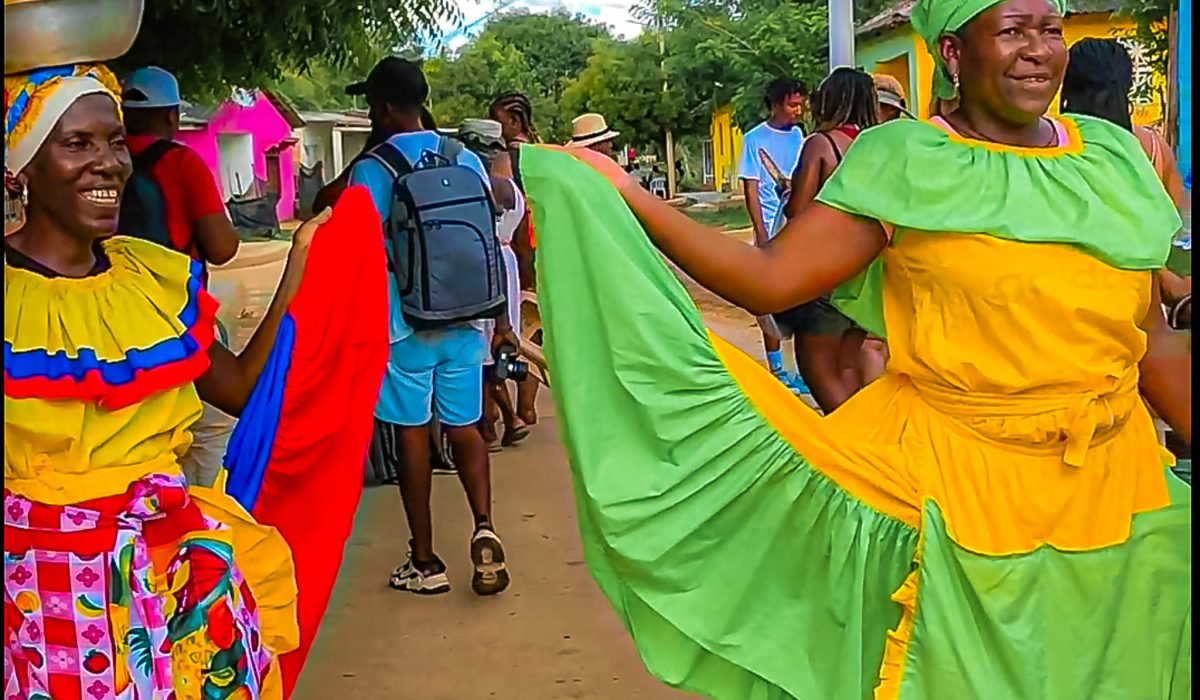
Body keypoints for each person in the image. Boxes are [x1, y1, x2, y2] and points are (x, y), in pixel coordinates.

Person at [522, 0, 1191, 696]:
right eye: (1012, 31)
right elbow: (770, 278)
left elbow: (1154, 342)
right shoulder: (904, 159)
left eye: (1049, 30)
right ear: (954, 55)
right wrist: (629, 193)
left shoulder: (1112, 157)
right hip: (958, 492)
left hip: (1121, 488)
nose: (1039, 51)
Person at [3, 63, 387, 698]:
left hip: (170, 580)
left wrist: (299, 270)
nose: (108, 163)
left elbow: (235, 389)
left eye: (115, 141)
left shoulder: (149, 279)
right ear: (22, 165)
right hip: (40, 606)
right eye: (77, 144)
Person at [347, 58, 513, 596]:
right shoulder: (463, 156)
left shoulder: (373, 169)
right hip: (466, 317)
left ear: (389, 107)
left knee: (412, 434)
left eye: (374, 103)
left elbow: (356, 246)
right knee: (465, 426)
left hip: (404, 324)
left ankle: (424, 560)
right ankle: (484, 526)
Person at [121, 66, 243, 489]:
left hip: (112, 322)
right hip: (179, 320)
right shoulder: (181, 163)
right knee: (211, 432)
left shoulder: (101, 160)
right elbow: (223, 249)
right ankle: (202, 522)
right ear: (171, 116)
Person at [1060, 37, 1191, 326]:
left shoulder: (1049, 147)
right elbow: (1162, 234)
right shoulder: (1155, 149)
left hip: (1068, 306)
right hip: (1138, 300)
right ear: (1127, 85)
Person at [777, 68, 879, 413]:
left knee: (818, 371)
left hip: (826, 276)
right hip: (865, 276)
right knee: (849, 370)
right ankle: (868, 446)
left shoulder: (821, 145)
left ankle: (850, 453)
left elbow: (799, 213)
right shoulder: (877, 147)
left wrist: (788, 192)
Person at [459, 118, 531, 450]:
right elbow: (521, 242)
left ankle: (493, 421)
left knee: (479, 347)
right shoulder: (511, 189)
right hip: (509, 266)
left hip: (480, 265)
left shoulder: (469, 186)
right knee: (500, 346)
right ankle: (501, 419)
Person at [737, 77, 808, 394]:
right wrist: (761, 234)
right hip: (770, 225)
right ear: (777, 104)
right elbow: (750, 188)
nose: (798, 109)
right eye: (793, 103)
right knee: (769, 300)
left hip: (798, 229)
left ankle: (803, 368)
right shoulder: (754, 139)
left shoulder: (800, 136)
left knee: (803, 299)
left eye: (800, 102)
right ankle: (777, 368)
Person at [489, 91, 542, 426]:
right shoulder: (542, 157)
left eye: (498, 120)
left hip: (516, 251)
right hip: (539, 251)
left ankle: (504, 412)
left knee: (502, 331)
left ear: (515, 121)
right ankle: (526, 406)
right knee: (534, 330)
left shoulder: (503, 160)